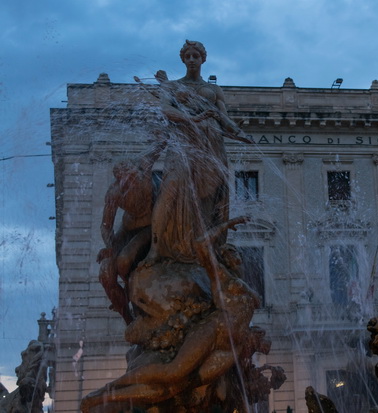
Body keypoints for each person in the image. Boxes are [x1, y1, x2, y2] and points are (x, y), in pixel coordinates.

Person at [80, 217, 260, 411]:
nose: (238, 255)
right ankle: (107, 390)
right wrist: (226, 225)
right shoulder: (219, 275)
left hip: (232, 343)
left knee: (175, 387)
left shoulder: (240, 282)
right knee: (172, 372)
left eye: (237, 252)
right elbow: (201, 245)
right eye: (231, 252)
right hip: (214, 331)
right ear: (223, 258)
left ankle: (108, 396)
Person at [144, 40, 251, 266]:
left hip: (212, 143)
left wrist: (238, 131)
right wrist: (190, 119)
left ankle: (208, 251)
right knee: (171, 189)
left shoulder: (214, 90)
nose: (192, 59)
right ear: (183, 59)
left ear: (203, 59)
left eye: (196, 55)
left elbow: (223, 117)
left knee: (211, 197)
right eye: (188, 56)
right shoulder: (172, 86)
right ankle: (155, 249)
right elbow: (166, 109)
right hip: (184, 142)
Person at [97, 140, 165, 324]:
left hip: (152, 226)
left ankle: (133, 293)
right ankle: (128, 318)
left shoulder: (145, 165)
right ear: (119, 180)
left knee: (125, 261)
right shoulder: (114, 193)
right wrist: (110, 246)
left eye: (132, 177)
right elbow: (105, 225)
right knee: (105, 273)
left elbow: (159, 144)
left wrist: (163, 133)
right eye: (124, 181)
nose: (129, 183)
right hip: (127, 229)